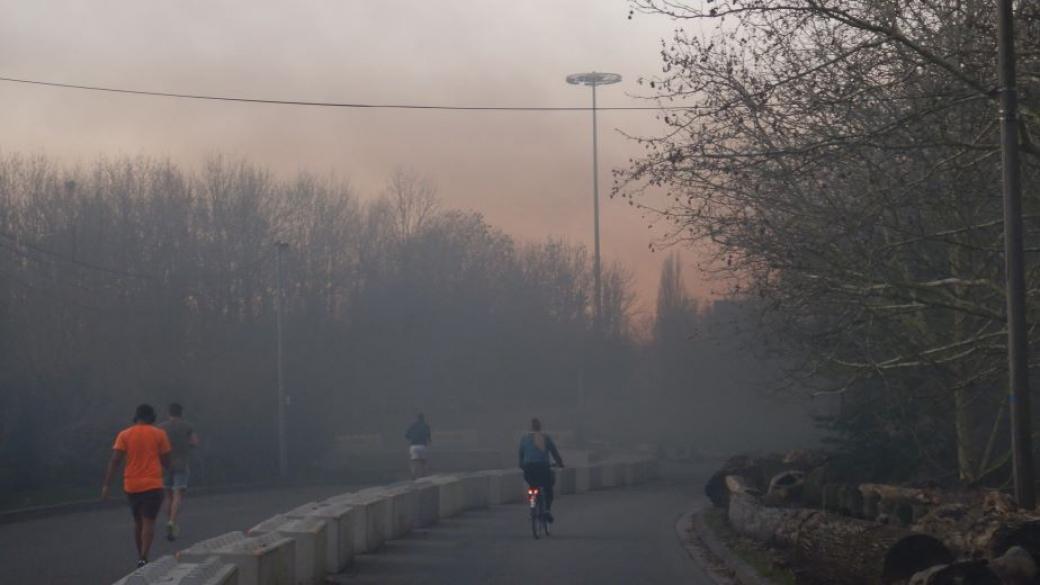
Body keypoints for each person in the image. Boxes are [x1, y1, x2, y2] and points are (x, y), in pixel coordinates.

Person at [102, 404, 172, 568]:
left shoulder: (124, 435)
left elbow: (115, 460)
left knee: (138, 522)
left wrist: (106, 485)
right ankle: (143, 557)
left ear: (136, 417)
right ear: (152, 417)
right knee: (149, 522)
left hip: (131, 485)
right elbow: (167, 461)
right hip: (153, 484)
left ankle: (140, 553)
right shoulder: (159, 434)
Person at [158, 402, 199, 542]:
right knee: (177, 494)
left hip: (165, 464)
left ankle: (169, 520)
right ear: (181, 413)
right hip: (181, 464)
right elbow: (194, 442)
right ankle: (172, 522)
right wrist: (185, 445)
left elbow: (157, 444)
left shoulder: (161, 428)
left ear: (169, 413)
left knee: (167, 496)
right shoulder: (187, 426)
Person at [518, 417, 564, 522]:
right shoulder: (545, 438)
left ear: (531, 427)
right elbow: (554, 452)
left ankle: (533, 508)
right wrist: (560, 464)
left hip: (529, 469)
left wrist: (522, 465)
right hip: (543, 468)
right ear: (540, 427)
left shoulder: (524, 439)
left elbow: (521, 455)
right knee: (548, 488)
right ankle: (547, 510)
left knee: (532, 488)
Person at [405, 413, 431, 479]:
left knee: (414, 462)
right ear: (423, 418)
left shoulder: (413, 426)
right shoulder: (426, 426)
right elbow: (429, 438)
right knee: (423, 461)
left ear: (417, 418)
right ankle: (424, 476)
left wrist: (412, 438)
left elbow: (406, 435)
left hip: (414, 446)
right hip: (422, 446)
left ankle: (413, 475)